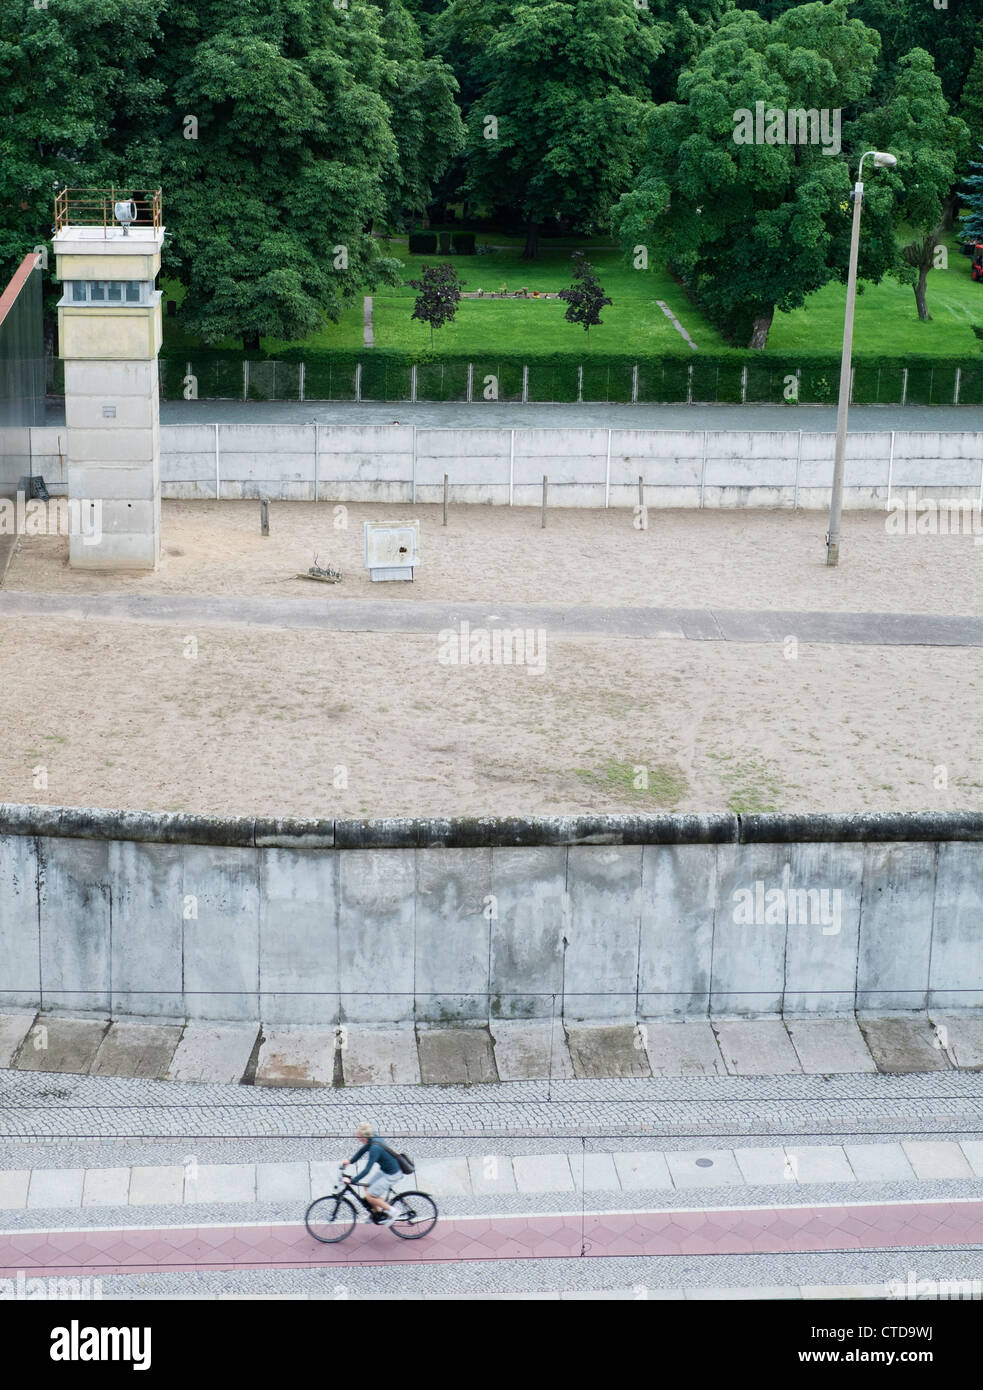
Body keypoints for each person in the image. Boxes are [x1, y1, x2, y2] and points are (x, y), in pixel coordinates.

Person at [341, 1122, 401, 1225]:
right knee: (367, 1188)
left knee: (370, 1196)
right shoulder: (372, 1137)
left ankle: (393, 1211)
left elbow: (367, 1170)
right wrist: (350, 1161)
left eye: (359, 1138)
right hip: (385, 1170)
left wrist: (352, 1180)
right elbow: (361, 1151)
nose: (358, 1139)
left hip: (392, 1174)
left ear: (364, 1137)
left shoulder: (374, 1148)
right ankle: (376, 1214)